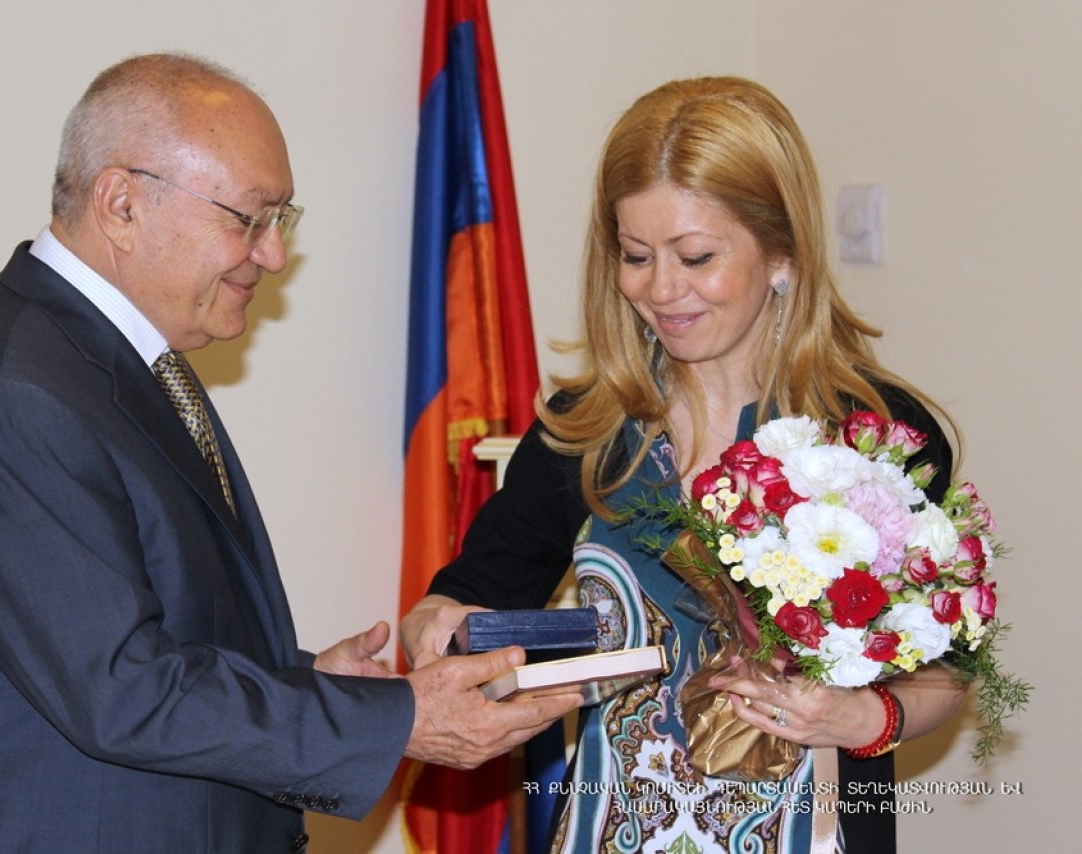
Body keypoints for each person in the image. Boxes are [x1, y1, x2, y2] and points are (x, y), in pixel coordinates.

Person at [0, 52, 580, 853]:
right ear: (122, 204)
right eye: (248, 219)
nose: (273, 254)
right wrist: (395, 720)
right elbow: (123, 691)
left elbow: (162, 639)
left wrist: (309, 686)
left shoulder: (117, 363)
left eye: (282, 219)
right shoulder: (15, 401)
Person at [401, 76, 968, 853]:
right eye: (636, 256)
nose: (662, 290)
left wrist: (864, 717)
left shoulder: (876, 434)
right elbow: (466, 597)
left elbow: (946, 668)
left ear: (782, 253)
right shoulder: (587, 431)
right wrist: (435, 625)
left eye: (696, 256)